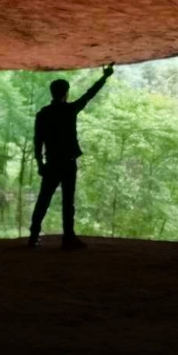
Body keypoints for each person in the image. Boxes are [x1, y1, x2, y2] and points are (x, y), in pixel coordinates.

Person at [28, 63, 115, 249]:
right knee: (68, 202)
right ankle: (68, 238)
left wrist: (39, 163)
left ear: (52, 92)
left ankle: (33, 236)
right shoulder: (70, 110)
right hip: (68, 163)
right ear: (66, 92)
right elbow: (90, 94)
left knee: (43, 199)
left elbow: (38, 141)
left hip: (51, 163)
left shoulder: (43, 114)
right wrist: (105, 76)